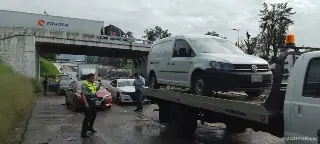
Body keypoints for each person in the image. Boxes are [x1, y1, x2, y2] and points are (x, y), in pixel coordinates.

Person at [81, 73, 102, 137]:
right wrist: (86, 103)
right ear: (89, 78)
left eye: (94, 78)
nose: (94, 79)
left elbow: (95, 90)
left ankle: (90, 127)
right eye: (93, 78)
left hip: (93, 101)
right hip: (88, 101)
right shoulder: (84, 84)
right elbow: (83, 94)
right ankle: (83, 132)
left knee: (94, 115)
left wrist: (99, 86)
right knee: (87, 117)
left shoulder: (92, 83)